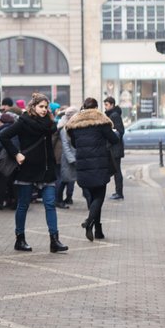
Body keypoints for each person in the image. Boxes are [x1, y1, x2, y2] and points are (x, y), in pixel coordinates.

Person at [0, 93, 68, 253]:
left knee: (50, 204)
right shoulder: (24, 121)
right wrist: (16, 154)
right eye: (41, 107)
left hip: (46, 169)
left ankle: (54, 240)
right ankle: (20, 239)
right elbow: (4, 136)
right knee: (23, 205)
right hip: (27, 169)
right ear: (33, 107)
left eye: (46, 107)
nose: (44, 110)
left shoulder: (49, 124)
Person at [66, 98, 120, 242]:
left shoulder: (75, 124)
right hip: (99, 165)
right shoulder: (101, 122)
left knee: (91, 198)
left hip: (83, 166)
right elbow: (115, 139)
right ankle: (90, 222)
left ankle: (97, 230)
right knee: (99, 197)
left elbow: (75, 144)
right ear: (96, 108)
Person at [104, 97, 126, 200]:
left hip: (115, 148)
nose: (105, 107)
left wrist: (111, 138)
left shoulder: (114, 115)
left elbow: (120, 131)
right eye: (105, 105)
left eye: (107, 105)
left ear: (112, 105)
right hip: (114, 147)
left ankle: (119, 193)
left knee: (117, 171)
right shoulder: (112, 115)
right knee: (116, 170)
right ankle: (118, 192)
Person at [57, 106, 79, 207]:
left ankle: (67, 198)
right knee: (63, 180)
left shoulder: (73, 126)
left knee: (69, 180)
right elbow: (65, 146)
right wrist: (72, 159)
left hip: (73, 158)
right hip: (68, 159)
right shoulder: (64, 128)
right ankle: (58, 200)